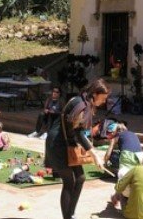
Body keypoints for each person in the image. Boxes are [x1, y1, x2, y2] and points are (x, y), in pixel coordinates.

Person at [45, 78, 109, 219]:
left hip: (66, 142)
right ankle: (67, 217)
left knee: (80, 178)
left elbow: (77, 131)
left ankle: (71, 214)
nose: (104, 101)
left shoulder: (83, 101)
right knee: (70, 182)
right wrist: (94, 154)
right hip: (57, 144)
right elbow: (78, 132)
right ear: (95, 94)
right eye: (103, 98)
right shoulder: (81, 104)